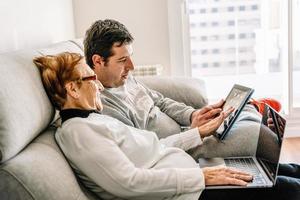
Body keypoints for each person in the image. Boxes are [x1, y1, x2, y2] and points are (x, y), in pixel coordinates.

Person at [33, 52, 300, 200]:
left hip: (190, 175)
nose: (99, 85)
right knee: (287, 188)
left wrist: (197, 133)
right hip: (188, 192)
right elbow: (128, 183)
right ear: (72, 89)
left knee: (287, 169)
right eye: (91, 78)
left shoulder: (91, 120)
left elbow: (154, 148)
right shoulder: (78, 133)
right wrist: (202, 177)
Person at [83, 19, 279, 158]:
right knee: (258, 135)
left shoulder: (126, 79)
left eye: (130, 57)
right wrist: (195, 133)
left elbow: (160, 101)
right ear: (98, 61)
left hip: (189, 129)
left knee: (244, 110)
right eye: (123, 60)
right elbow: (145, 150)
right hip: (181, 147)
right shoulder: (104, 106)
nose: (132, 67)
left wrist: (194, 115)